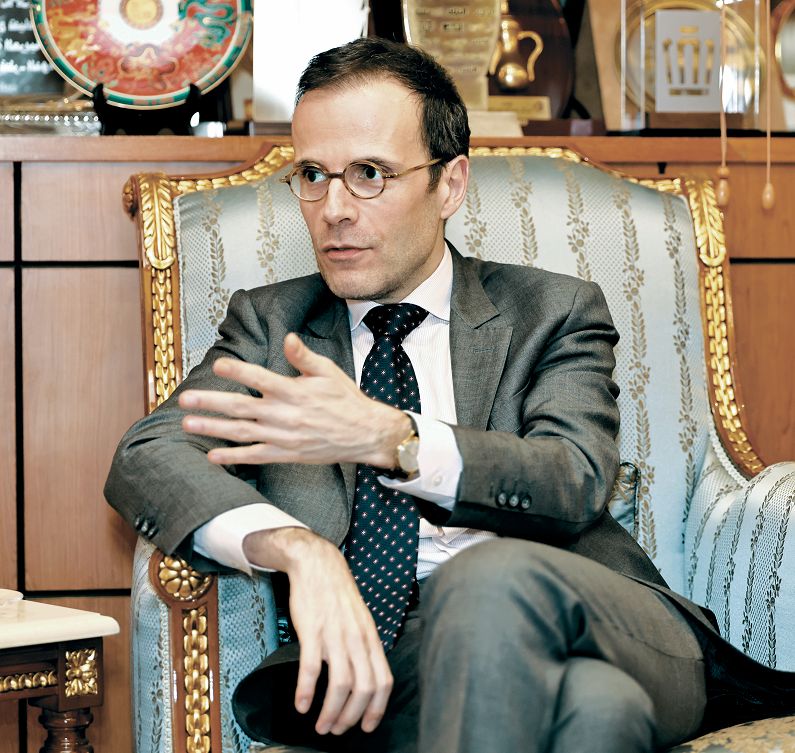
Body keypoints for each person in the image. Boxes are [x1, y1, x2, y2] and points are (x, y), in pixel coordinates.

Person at [105, 38, 795, 753]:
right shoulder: (273, 325)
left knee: (489, 579)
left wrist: (394, 440)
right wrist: (297, 549)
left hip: (603, 620)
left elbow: (573, 477)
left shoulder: (549, 310)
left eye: (368, 174)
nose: (333, 209)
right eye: (312, 175)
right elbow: (148, 454)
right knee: (597, 710)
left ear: (449, 184)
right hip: (398, 667)